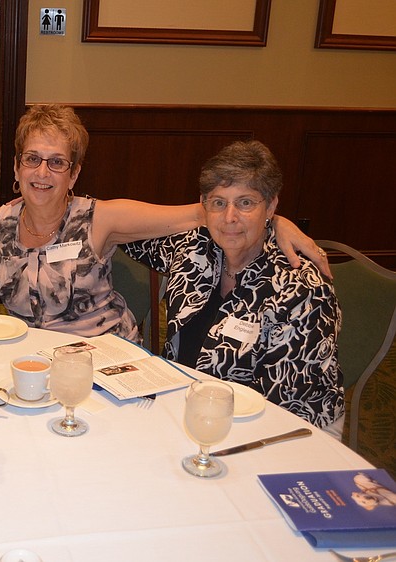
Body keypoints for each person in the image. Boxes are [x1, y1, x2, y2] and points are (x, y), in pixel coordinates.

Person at [0, 104, 328, 341]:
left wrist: (275, 222)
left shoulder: (100, 218)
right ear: (17, 166)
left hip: (104, 363)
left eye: (57, 161)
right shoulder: (2, 222)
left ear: (74, 173)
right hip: (32, 364)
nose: (42, 171)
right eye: (32, 158)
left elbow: (203, 211)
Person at [124, 140, 343, 430]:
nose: (230, 218)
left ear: (271, 205)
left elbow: (285, 404)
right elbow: (119, 227)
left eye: (246, 202)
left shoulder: (301, 289)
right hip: (189, 412)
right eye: (218, 203)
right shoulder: (194, 248)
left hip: (282, 432)